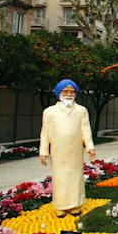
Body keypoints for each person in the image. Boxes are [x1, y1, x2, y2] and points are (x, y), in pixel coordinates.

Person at [39, 79, 95, 217]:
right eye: (65, 91)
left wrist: (90, 146)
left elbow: (85, 129)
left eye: (72, 92)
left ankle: (76, 204)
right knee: (60, 178)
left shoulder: (81, 110)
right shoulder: (50, 112)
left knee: (76, 177)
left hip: (75, 150)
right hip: (58, 151)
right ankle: (61, 206)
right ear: (59, 93)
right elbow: (45, 132)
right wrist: (43, 151)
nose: (69, 94)